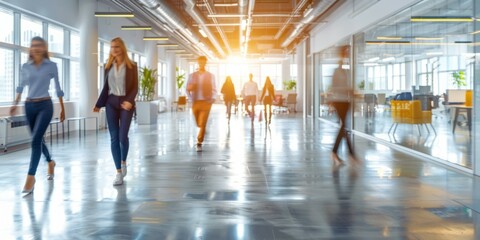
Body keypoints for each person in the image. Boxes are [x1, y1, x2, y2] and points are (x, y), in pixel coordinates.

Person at [10, 36, 66, 194]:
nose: (36, 48)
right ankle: (50, 162)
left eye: (39, 45)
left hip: (45, 105)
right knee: (38, 140)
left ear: (44, 48)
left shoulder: (52, 66)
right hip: (29, 106)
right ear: (30, 48)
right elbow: (21, 86)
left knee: (35, 140)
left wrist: (62, 108)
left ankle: (30, 177)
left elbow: (58, 89)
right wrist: (15, 104)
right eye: (33, 45)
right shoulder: (25, 66)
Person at [93, 37, 138, 186]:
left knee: (122, 136)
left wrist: (130, 101)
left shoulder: (132, 66)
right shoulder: (107, 67)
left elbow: (135, 87)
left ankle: (123, 161)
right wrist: (99, 104)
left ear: (122, 48)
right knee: (113, 137)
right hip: (111, 102)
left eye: (117, 47)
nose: (114, 49)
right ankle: (118, 172)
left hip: (126, 102)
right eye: (112, 47)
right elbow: (105, 88)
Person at [329, 45, 357, 166]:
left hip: (346, 101)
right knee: (343, 127)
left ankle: (349, 154)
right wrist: (348, 89)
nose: (347, 54)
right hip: (339, 101)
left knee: (344, 128)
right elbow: (334, 88)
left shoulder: (346, 70)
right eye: (345, 52)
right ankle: (337, 153)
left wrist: (351, 94)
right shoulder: (337, 71)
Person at [186, 56, 217, 152]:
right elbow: (187, 88)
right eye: (200, 62)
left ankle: (199, 142)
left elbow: (214, 88)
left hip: (206, 102)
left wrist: (213, 98)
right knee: (198, 123)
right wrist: (190, 98)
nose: (201, 64)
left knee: (202, 123)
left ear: (205, 63)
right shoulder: (192, 75)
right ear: (198, 63)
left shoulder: (211, 76)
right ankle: (202, 128)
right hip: (195, 102)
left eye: (203, 62)